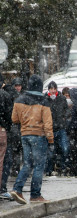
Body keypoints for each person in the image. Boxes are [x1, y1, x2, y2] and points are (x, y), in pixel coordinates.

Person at [10, 75, 54, 204]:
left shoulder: (19, 99)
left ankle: (17, 189)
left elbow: (14, 119)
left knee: (28, 163)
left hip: (25, 135)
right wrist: (51, 140)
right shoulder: (44, 101)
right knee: (39, 165)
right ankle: (35, 195)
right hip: (39, 136)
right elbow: (47, 123)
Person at [45, 81, 70, 176]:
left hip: (60, 127)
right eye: (51, 89)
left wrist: (63, 118)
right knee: (50, 152)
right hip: (50, 128)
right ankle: (49, 169)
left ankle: (63, 167)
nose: (52, 91)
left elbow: (67, 110)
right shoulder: (45, 99)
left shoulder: (61, 98)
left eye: (54, 89)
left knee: (65, 148)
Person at [0, 73, 12, 200]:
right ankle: (2, 189)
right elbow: (9, 115)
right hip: (1, 130)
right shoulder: (4, 95)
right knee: (3, 160)